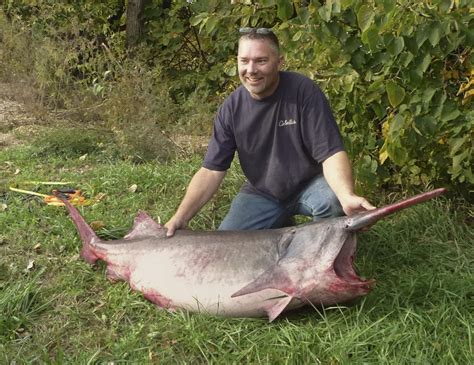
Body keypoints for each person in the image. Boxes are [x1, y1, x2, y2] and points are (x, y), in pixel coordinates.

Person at [165, 28, 375, 236]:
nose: (251, 69)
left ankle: (319, 259)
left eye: (261, 61)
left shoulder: (303, 91)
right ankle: (280, 224)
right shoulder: (231, 109)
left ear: (279, 62)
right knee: (228, 241)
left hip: (310, 185)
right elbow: (211, 171)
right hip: (263, 192)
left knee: (332, 201)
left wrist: (346, 196)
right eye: (244, 61)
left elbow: (331, 153)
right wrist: (180, 217)